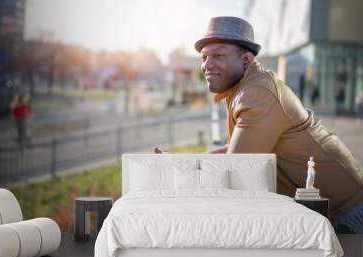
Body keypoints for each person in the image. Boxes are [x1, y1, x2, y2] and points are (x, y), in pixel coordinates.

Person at [155, 17, 362, 233]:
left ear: (245, 60)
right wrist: (180, 161)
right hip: (330, 207)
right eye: (204, 57)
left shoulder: (257, 92)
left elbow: (235, 169)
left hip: (346, 210)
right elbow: (238, 149)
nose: (207, 65)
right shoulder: (243, 86)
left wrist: (180, 172)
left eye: (218, 55)